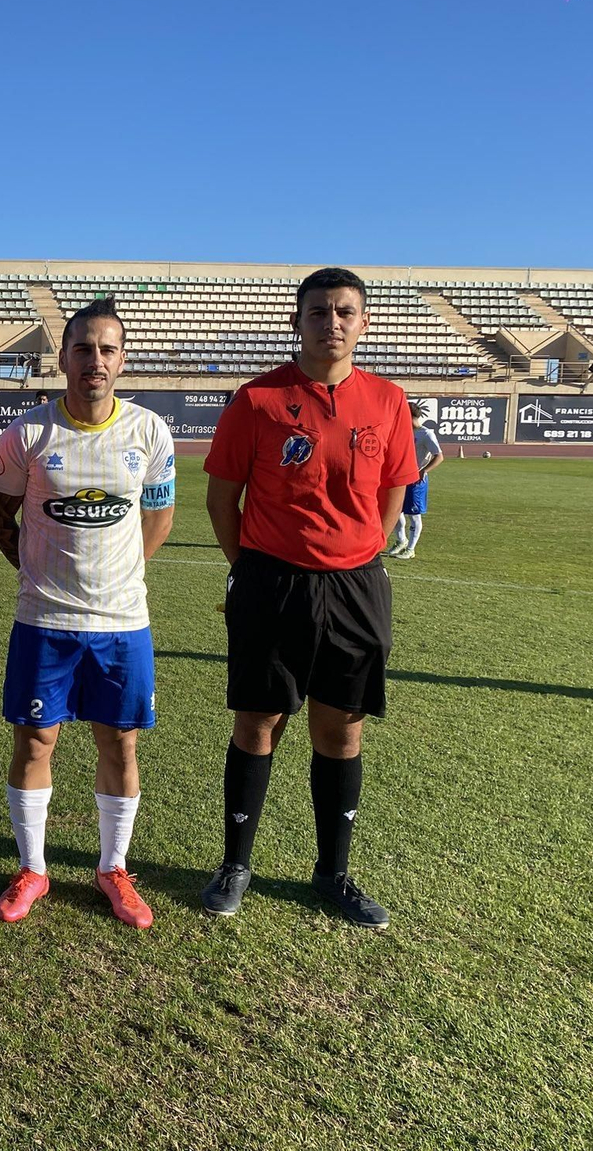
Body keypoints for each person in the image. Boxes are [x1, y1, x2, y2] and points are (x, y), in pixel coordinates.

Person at [199, 267, 417, 929]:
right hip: (272, 581)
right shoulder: (257, 400)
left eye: (345, 311)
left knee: (340, 729)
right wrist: (255, 569)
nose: (332, 322)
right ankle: (236, 863)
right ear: (297, 321)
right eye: (318, 311)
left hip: (355, 587)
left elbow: (393, 493)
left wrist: (357, 555)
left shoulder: (387, 400)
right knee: (259, 723)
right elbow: (220, 499)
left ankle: (333, 874)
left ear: (364, 322)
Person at [0, 297, 175, 929]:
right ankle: (33, 869)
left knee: (119, 742)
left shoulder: (150, 432)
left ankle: (113, 867)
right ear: (63, 357)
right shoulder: (29, 433)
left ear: (122, 360)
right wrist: (36, 571)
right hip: (43, 621)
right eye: (84, 348)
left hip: (123, 623)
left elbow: (159, 516)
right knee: (36, 740)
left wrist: (125, 574)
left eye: (108, 349)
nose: (95, 360)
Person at [388, 400, 442, 559]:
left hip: (416, 480)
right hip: (401, 477)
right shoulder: (404, 431)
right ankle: (401, 540)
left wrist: (424, 471)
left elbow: (439, 456)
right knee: (396, 510)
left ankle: (411, 549)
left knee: (414, 515)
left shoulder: (426, 434)